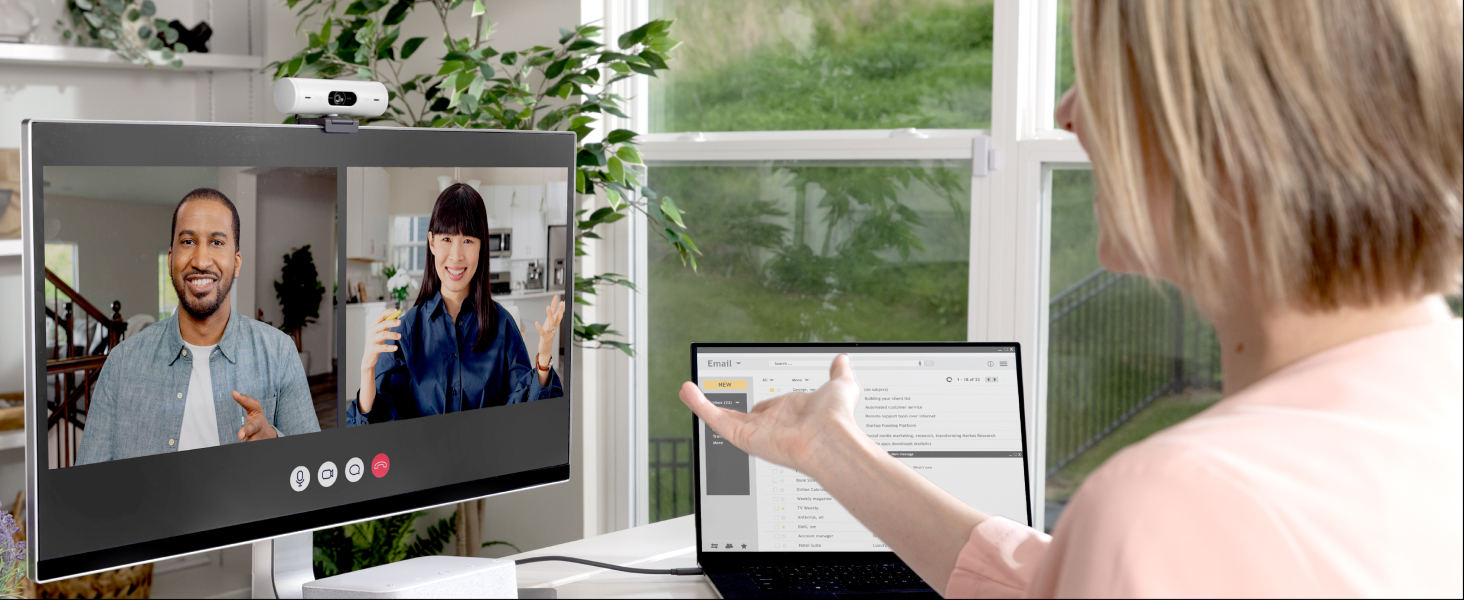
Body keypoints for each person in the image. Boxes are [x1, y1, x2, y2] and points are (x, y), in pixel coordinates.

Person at [680, 1, 1463, 597]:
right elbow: (1058, 583)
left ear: (1238, 127)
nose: (1067, 112)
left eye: (1109, 78)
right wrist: (830, 448)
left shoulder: (1176, 503)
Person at [78, 188, 321, 465]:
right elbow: (89, 482)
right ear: (171, 260)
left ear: (236, 263)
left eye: (217, 242)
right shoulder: (122, 364)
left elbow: (314, 467)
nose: (201, 261)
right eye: (188, 241)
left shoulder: (279, 353)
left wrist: (273, 441)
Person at [349, 183, 564, 424]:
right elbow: (379, 422)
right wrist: (366, 368)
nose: (456, 255)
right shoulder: (406, 331)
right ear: (432, 243)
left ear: (482, 245)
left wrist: (544, 360)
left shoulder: (502, 325)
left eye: (468, 240)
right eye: (447, 238)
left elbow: (525, 416)